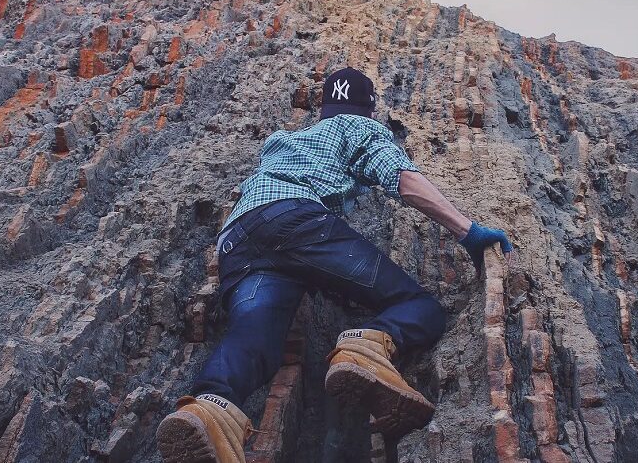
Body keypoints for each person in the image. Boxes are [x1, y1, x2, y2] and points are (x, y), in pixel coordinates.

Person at [156, 67, 514, 463]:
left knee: (254, 336)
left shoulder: (285, 141)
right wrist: (468, 231)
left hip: (237, 240)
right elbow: (402, 178)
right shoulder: (358, 128)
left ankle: (210, 409)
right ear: (368, 109)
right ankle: (363, 349)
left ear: (325, 106)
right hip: (296, 221)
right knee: (419, 307)